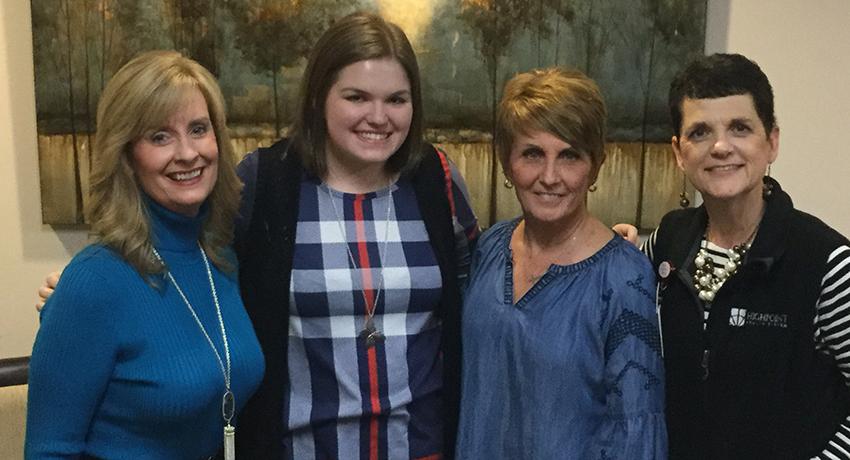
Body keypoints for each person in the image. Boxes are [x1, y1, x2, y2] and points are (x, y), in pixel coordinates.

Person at [235, 12, 479, 458]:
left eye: (397, 100)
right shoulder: (266, 182)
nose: (378, 117)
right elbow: (206, 284)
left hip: (422, 448)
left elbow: (478, 287)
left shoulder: (435, 179)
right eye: (356, 97)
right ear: (318, 98)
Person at [25, 51, 265, 458]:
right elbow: (50, 450)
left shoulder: (220, 257)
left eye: (198, 128)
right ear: (127, 156)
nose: (188, 153)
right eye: (159, 137)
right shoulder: (93, 281)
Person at [643, 53, 850, 459]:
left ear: (771, 141)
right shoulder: (667, 241)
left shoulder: (828, 263)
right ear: (679, 152)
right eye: (700, 132)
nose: (721, 147)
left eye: (740, 128)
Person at [455, 67, 666, 459]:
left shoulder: (623, 277)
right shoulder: (488, 248)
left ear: (596, 166)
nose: (550, 176)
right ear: (506, 163)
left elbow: (636, 436)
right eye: (533, 153)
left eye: (570, 155)